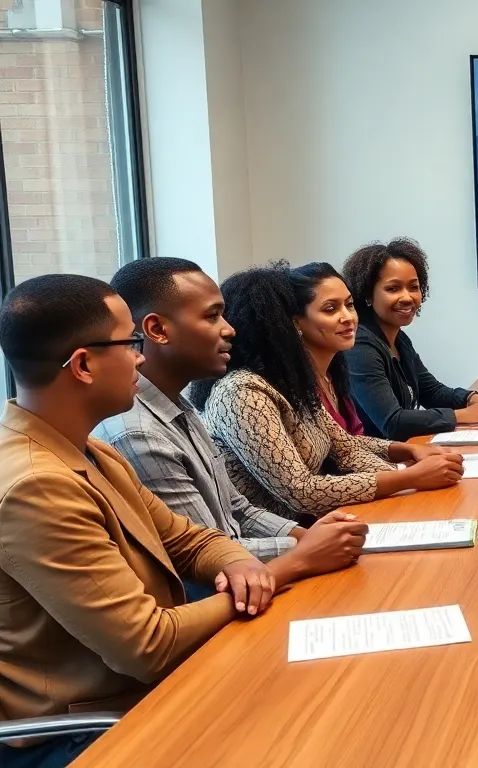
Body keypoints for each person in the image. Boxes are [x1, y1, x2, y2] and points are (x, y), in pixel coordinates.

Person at [0, 275, 275, 768]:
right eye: (129, 344)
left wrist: (239, 563)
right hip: (81, 733)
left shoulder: (91, 450)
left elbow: (188, 540)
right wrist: (279, 573)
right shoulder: (37, 485)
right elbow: (149, 646)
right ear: (83, 365)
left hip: (141, 694)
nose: (141, 358)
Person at [95, 258, 369, 590]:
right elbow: (205, 553)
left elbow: (237, 509)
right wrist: (305, 549)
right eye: (212, 316)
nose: (229, 329)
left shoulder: (179, 406)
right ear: (158, 330)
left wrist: (305, 536)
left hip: (255, 573)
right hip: (223, 595)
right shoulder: (139, 434)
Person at [191, 263, 464, 523]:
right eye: (330, 309)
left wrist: (409, 457)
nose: (347, 317)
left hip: (316, 526)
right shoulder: (242, 391)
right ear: (287, 324)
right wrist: (409, 478)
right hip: (277, 540)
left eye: (349, 305)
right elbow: (301, 492)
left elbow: (345, 446)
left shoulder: (289, 381)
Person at [342, 238, 478, 441]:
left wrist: (470, 398)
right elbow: (393, 423)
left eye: (414, 287)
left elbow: (431, 392)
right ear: (367, 295)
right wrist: (464, 415)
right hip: (376, 456)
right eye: (393, 289)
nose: (407, 297)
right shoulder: (359, 347)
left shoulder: (399, 339)